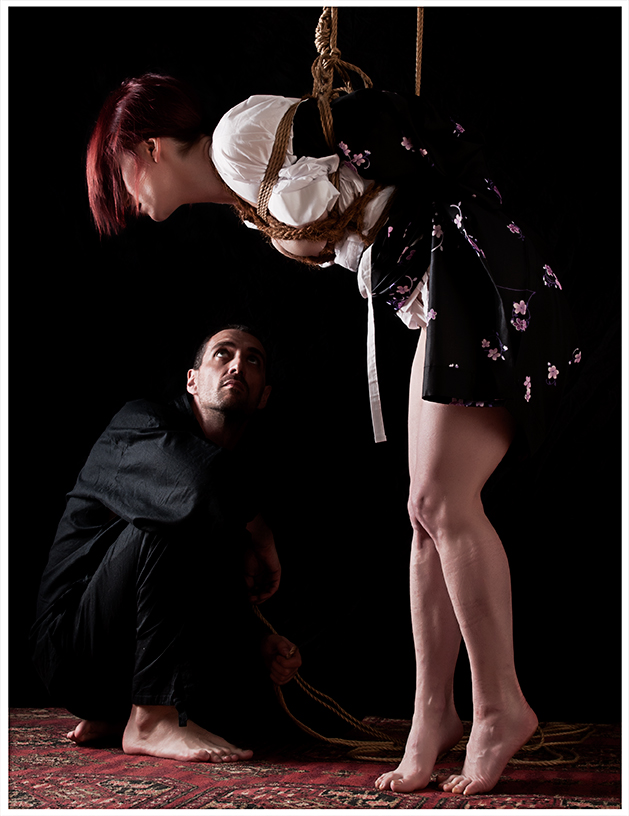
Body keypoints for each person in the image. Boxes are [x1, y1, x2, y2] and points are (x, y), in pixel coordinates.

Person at [85, 73, 580, 793]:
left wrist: (450, 207)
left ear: (150, 147)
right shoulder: (246, 202)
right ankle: (433, 715)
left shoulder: (239, 138)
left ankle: (500, 703)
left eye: (118, 176)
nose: (124, 199)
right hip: (433, 297)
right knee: (423, 515)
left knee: (443, 505)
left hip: (468, 276)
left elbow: (389, 125)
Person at [30, 325, 302, 763]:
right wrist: (261, 532)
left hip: (124, 674)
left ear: (264, 396)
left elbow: (192, 587)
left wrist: (256, 644)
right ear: (192, 380)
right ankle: (151, 719)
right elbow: (194, 487)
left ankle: (120, 715)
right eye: (223, 354)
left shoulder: (237, 479)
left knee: (248, 706)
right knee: (176, 512)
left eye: (252, 359)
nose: (237, 365)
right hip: (73, 651)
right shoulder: (138, 424)